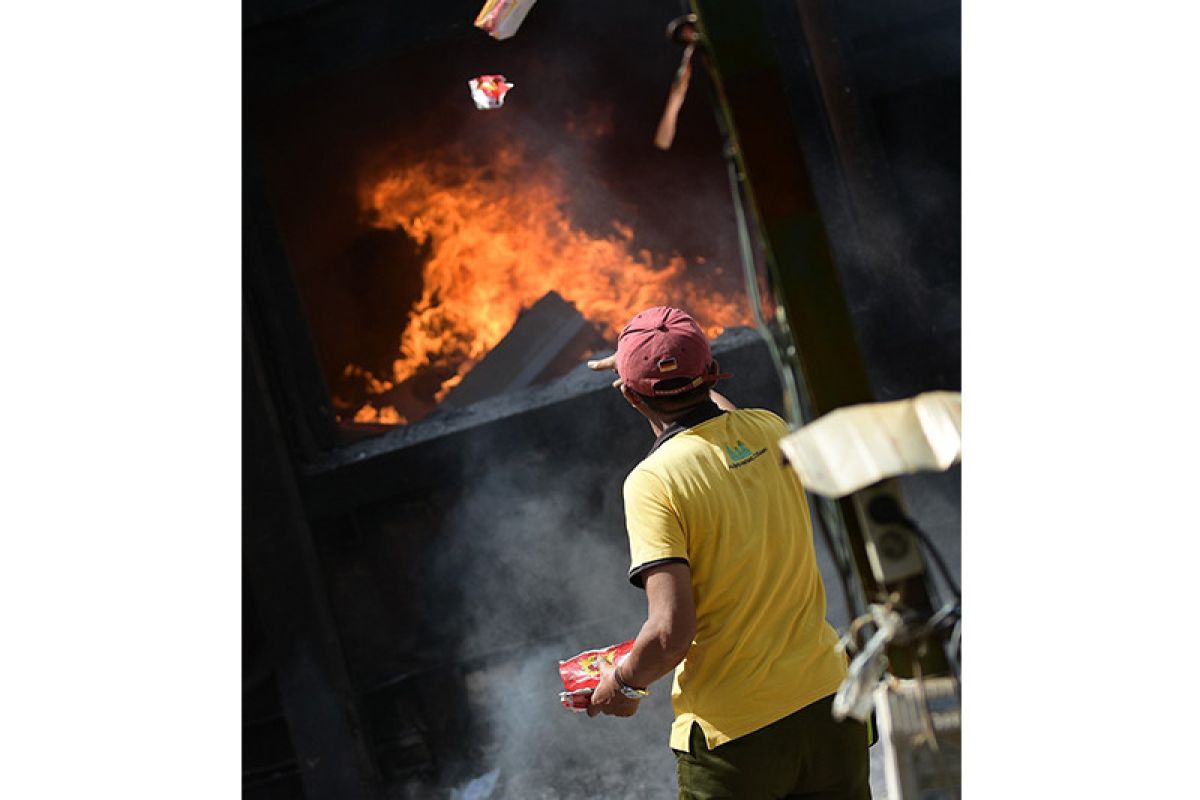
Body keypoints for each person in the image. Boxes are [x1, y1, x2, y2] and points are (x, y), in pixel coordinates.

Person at [583, 306, 871, 800]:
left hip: (737, 736)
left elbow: (671, 632)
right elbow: (720, 421)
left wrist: (622, 683)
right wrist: (674, 363)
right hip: (831, 705)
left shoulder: (653, 482)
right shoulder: (769, 431)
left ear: (630, 397)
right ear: (712, 374)